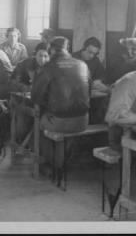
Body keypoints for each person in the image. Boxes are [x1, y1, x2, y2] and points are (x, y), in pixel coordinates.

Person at [31, 37, 90, 173]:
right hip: (83, 121)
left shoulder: (48, 67)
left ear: (51, 50)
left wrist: (49, 100)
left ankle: (49, 165)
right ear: (67, 48)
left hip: (58, 121)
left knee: (39, 125)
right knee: (67, 125)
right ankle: (64, 162)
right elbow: (89, 92)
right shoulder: (82, 65)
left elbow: (35, 97)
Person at [10, 42, 50, 146]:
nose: (42, 59)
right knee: (23, 118)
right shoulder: (25, 64)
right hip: (23, 100)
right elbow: (13, 82)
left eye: (46, 56)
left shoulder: (53, 67)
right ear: (34, 55)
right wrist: (27, 88)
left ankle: (39, 147)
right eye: (40, 55)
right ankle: (21, 145)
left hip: (44, 102)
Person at [73, 37, 109, 124]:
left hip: (91, 94)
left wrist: (98, 80)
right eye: (89, 52)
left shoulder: (95, 60)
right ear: (83, 48)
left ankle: (96, 127)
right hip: (75, 95)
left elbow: (102, 74)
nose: (91, 56)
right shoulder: (73, 58)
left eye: (95, 54)